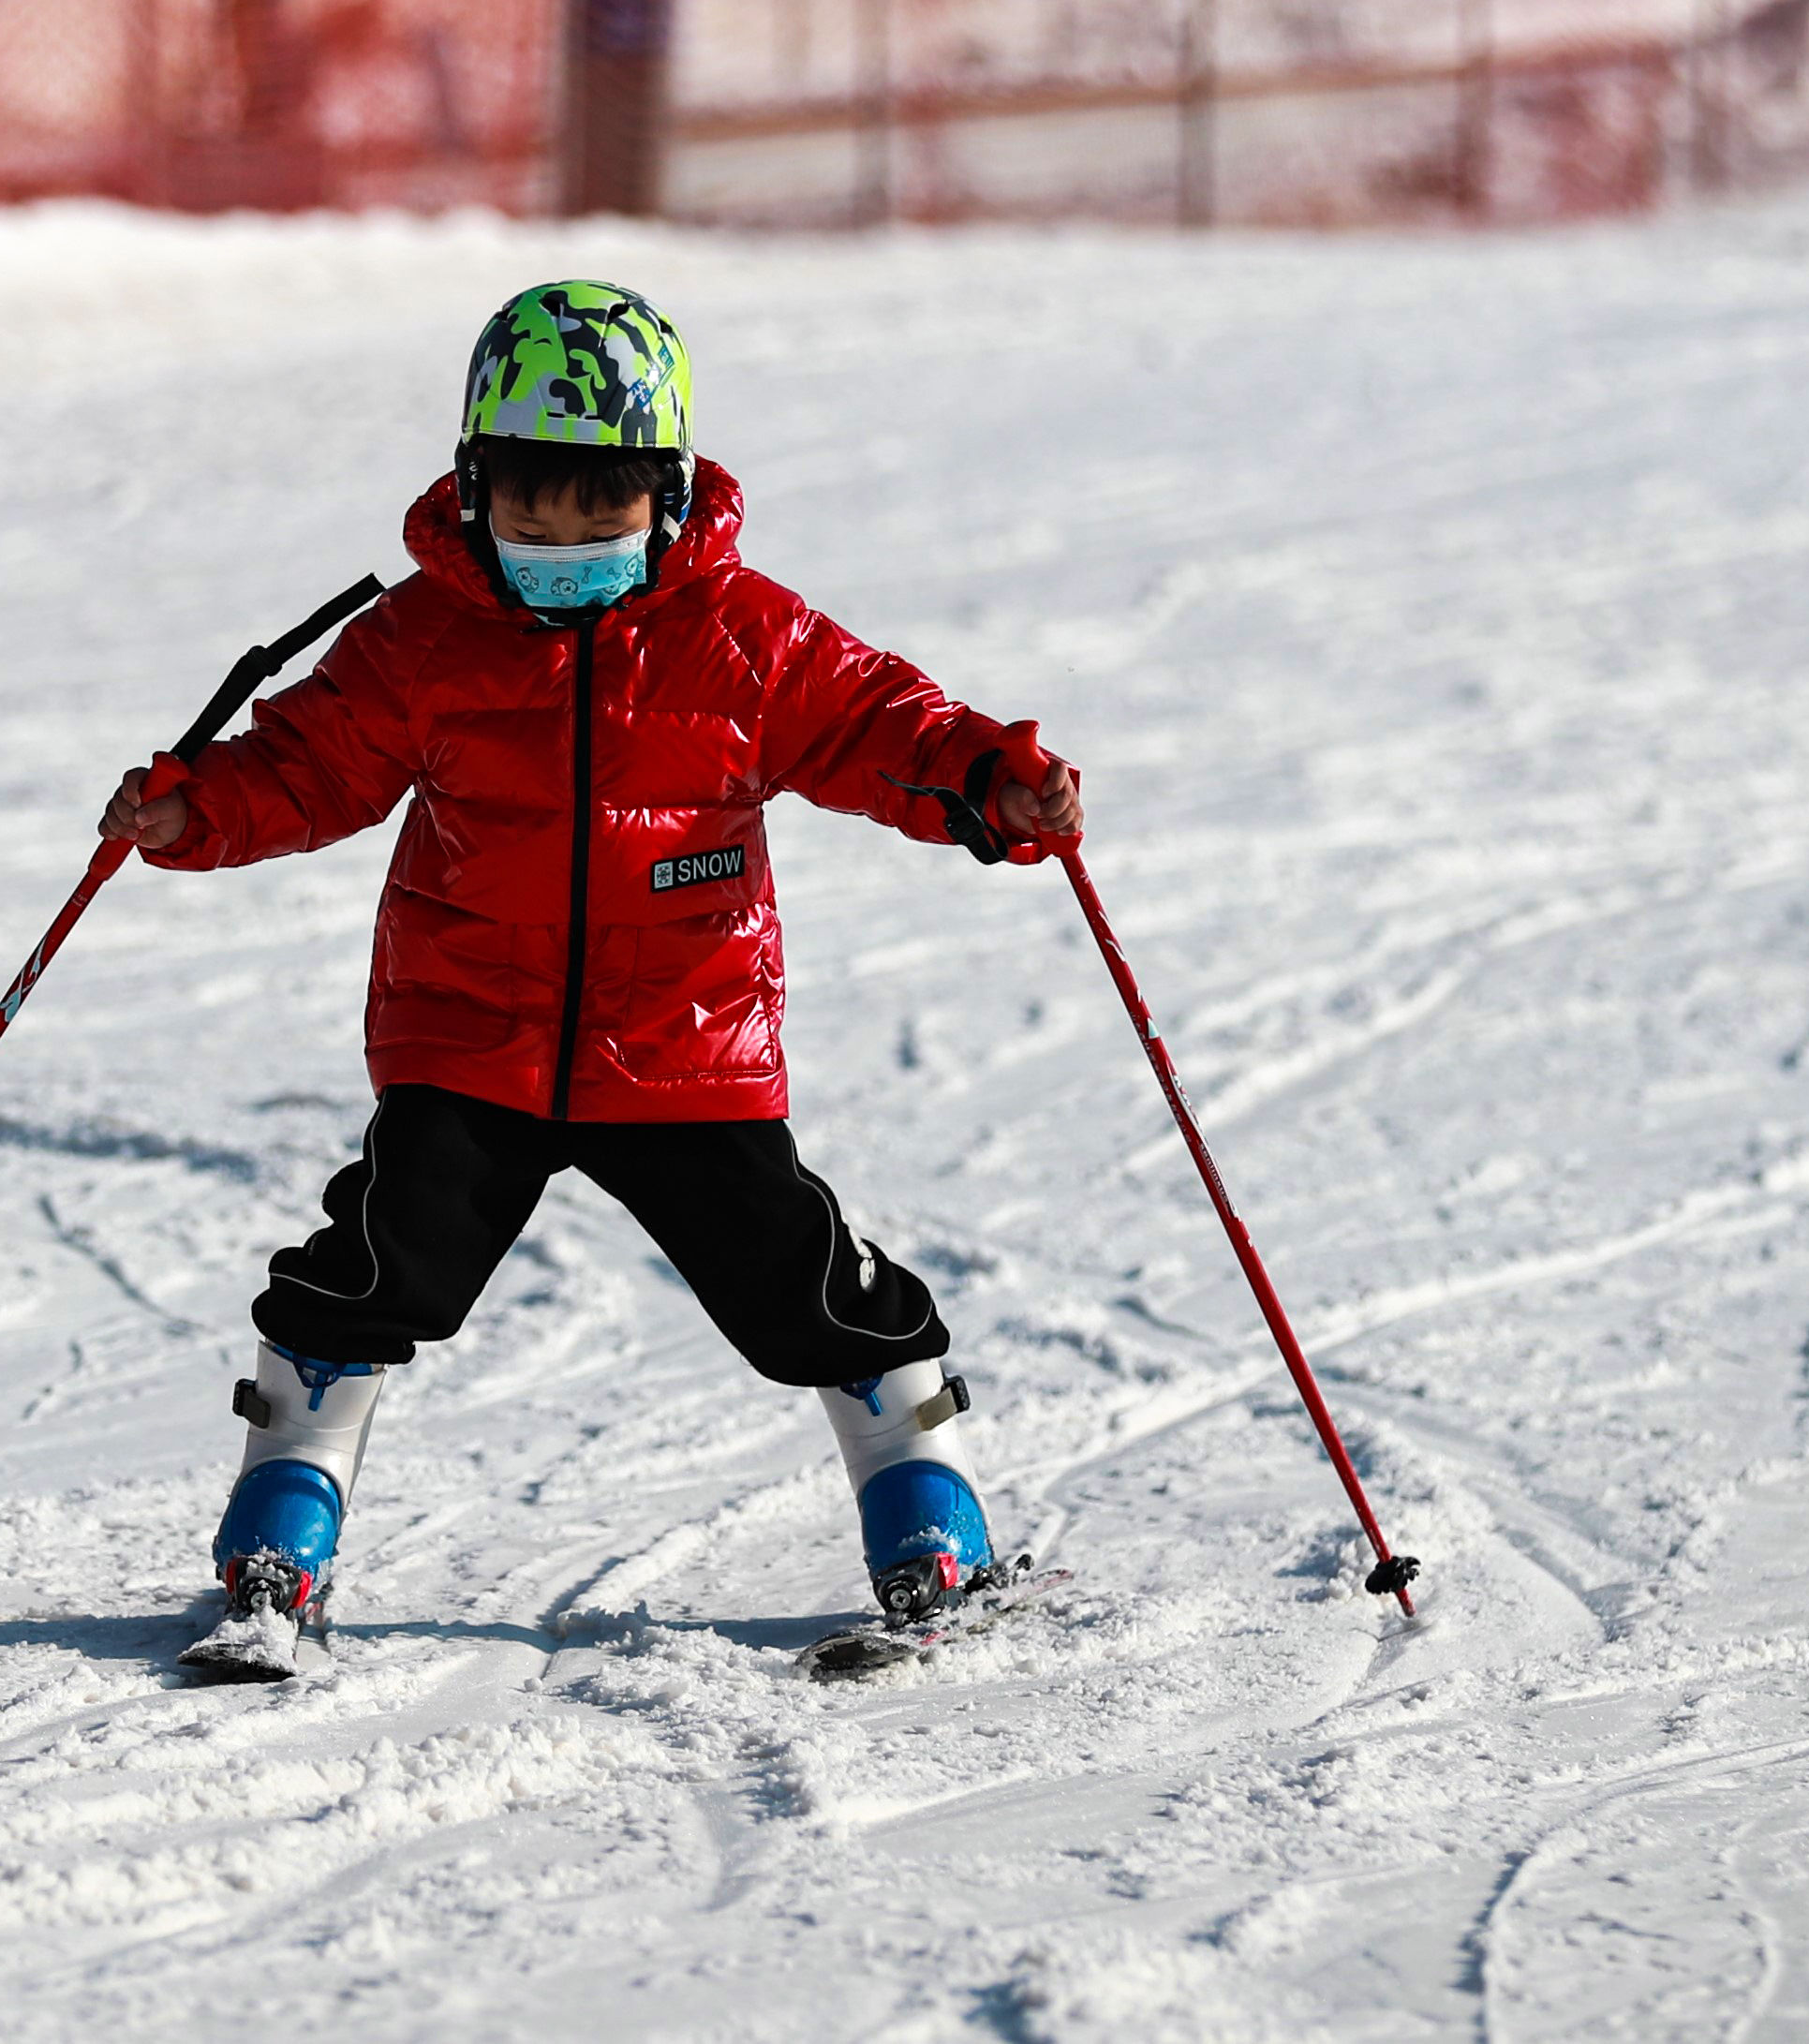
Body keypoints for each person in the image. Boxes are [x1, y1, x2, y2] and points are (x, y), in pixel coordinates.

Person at [97, 282, 1084, 1681]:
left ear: (666, 497)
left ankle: (927, 1517)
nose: (561, 547)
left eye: (598, 519)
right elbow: (304, 764)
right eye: (528, 517)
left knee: (794, 1278)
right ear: (472, 487)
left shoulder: (743, 635)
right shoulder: (421, 640)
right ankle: (280, 1529)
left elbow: (880, 725)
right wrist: (193, 813)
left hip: (682, 1040)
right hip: (468, 1036)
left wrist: (992, 781)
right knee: (377, 1260)